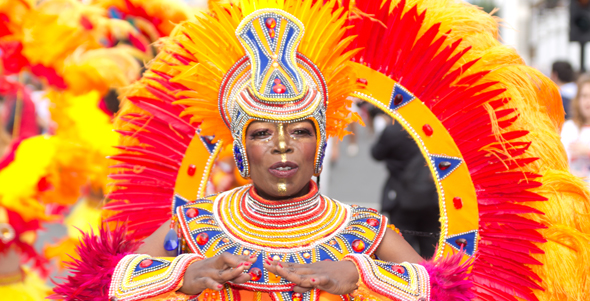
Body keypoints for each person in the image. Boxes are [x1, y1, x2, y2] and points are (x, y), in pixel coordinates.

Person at [52, 1, 590, 301]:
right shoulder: (191, 224)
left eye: (299, 131)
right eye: (262, 133)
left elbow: (451, 292)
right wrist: (177, 275)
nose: (283, 145)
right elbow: (94, 286)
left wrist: (361, 275)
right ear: (240, 152)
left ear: (322, 143)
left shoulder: (363, 228)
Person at [372, 121, 439, 258]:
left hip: (401, 195)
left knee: (403, 248)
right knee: (431, 246)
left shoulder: (393, 130)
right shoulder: (436, 130)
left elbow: (376, 154)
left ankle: (411, 278)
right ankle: (433, 278)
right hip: (431, 195)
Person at [561, 74, 590, 179]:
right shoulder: (569, 127)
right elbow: (560, 161)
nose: (588, 101)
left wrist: (587, 151)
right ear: (578, 99)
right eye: (584, 96)